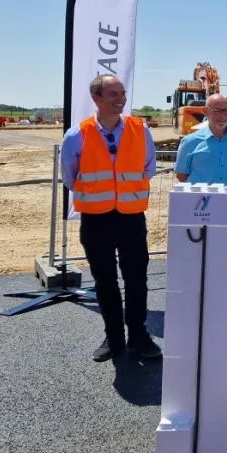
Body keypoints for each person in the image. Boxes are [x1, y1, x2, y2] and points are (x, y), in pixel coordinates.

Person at [60, 74, 161, 362]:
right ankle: (114, 337)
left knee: (136, 278)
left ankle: (139, 335)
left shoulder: (140, 131)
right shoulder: (76, 136)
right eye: (113, 94)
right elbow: (70, 177)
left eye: (122, 93)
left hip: (130, 217)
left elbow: (149, 167)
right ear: (97, 99)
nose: (121, 99)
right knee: (105, 281)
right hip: (96, 219)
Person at [174, 93, 227, 186]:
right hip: (200, 199)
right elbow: (181, 175)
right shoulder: (189, 142)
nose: (222, 116)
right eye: (217, 111)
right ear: (205, 111)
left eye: (226, 111)